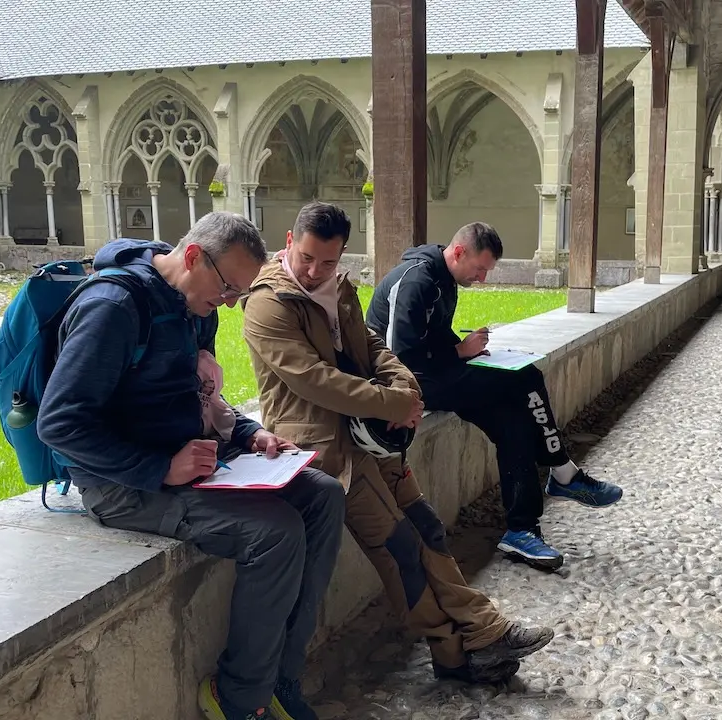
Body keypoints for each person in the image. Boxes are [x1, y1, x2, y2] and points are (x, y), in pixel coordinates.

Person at [36, 212, 346, 720]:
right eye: (227, 288)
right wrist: (159, 468)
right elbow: (60, 425)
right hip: (124, 483)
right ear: (194, 256)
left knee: (323, 494)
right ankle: (241, 700)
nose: (227, 304)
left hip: (193, 458)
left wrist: (250, 433)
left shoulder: (195, 307)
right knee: (276, 531)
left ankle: (280, 676)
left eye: (237, 294)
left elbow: (201, 395)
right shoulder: (112, 309)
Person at [241, 202, 554, 685]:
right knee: (398, 546)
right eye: (306, 257)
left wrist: (405, 386)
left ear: (342, 253)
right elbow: (312, 379)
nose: (314, 270)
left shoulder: (338, 287)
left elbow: (373, 346)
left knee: (425, 527)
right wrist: (391, 403)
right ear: (288, 241)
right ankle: (467, 640)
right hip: (325, 450)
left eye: (327, 261)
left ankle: (468, 645)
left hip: (372, 438)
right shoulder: (267, 302)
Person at [365, 222, 624, 571]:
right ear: (459, 252)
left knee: (513, 423)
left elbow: (433, 339)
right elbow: (398, 356)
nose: (483, 279)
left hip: (437, 375)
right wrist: (460, 352)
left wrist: (466, 350)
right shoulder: (416, 280)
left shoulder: (444, 279)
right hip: (411, 384)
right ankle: (563, 472)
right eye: (480, 269)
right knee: (526, 377)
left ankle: (521, 530)